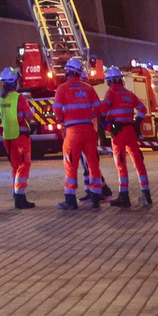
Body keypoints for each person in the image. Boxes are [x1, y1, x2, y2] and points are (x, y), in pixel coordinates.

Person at [52, 57, 106, 210]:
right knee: (93, 164)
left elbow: (56, 111)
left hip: (72, 132)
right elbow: (98, 109)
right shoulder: (89, 88)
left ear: (68, 71)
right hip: (89, 131)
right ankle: (96, 197)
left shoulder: (62, 88)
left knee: (71, 165)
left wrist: (63, 119)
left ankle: (70, 201)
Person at [103, 66, 152, 208]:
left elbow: (102, 111)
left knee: (121, 164)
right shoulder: (129, 93)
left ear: (109, 81)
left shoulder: (111, 92)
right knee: (138, 162)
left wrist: (106, 126)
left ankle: (124, 196)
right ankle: (146, 194)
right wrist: (137, 123)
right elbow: (143, 109)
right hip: (131, 130)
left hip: (118, 133)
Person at [0, 67, 36, 209]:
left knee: (15, 167)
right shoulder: (19, 98)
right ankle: (20, 197)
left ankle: (16, 193)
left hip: (8, 137)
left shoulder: (2, 99)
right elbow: (29, 116)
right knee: (24, 165)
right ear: (14, 81)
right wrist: (33, 111)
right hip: (20, 136)